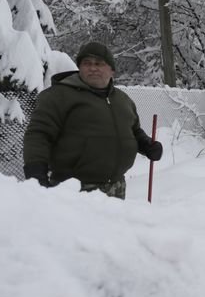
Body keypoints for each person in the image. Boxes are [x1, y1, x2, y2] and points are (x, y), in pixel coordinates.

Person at [23, 41, 162, 199]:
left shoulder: (123, 100)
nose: (93, 68)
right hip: (75, 190)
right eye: (86, 63)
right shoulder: (58, 96)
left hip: (116, 188)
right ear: (80, 68)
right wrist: (35, 173)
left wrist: (147, 145)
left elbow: (134, 131)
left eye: (99, 63)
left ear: (112, 70)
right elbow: (38, 135)